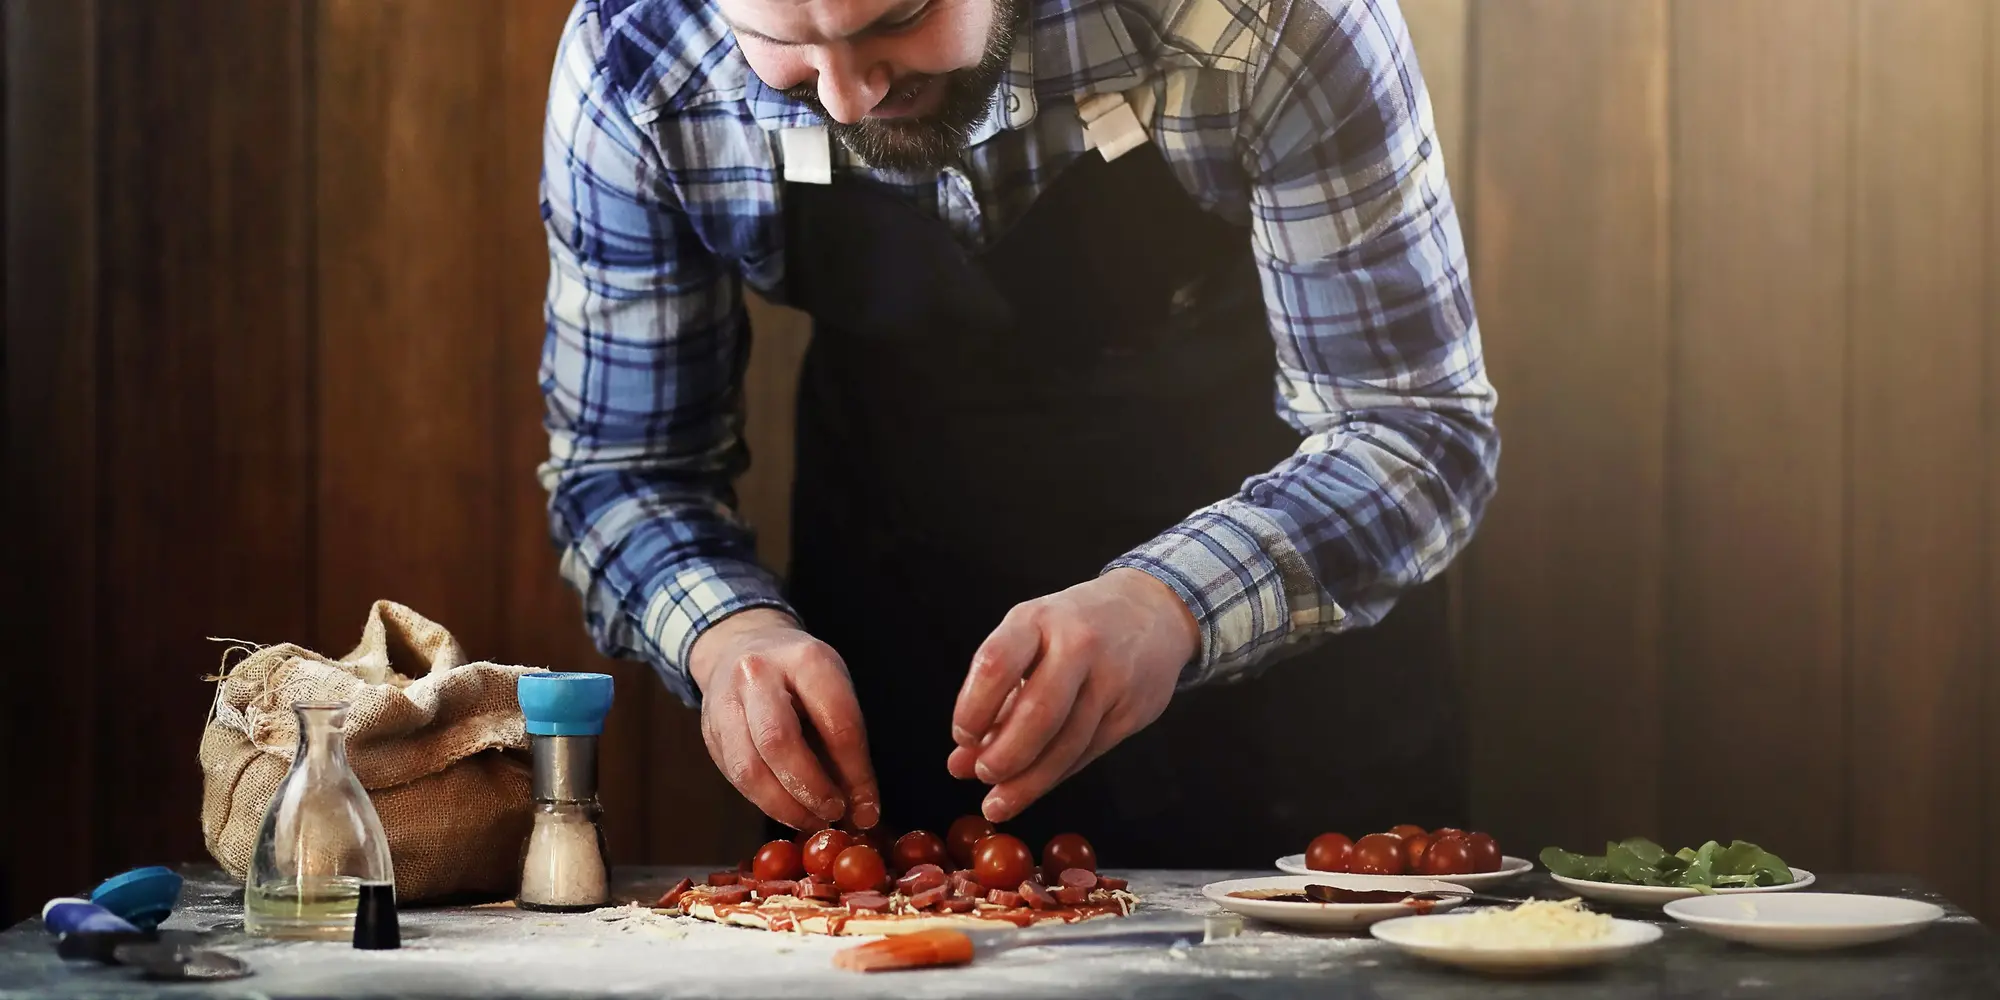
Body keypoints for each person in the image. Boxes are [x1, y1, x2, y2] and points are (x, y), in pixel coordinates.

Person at [536, 0, 1499, 866]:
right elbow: (624, 470)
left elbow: (1411, 432)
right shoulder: (637, 56)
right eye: (782, 44)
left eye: (896, 19)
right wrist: (725, 631)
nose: (844, 96)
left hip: (1290, 711)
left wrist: (1169, 606)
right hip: (903, 683)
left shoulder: (1271, 19)